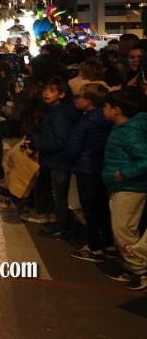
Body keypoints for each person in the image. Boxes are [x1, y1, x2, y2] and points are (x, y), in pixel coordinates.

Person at [101, 89, 147, 290]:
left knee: (123, 230)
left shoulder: (128, 132)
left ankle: (140, 270)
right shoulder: (123, 128)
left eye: (105, 106)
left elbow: (145, 158)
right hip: (122, 186)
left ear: (116, 110)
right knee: (124, 228)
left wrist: (123, 173)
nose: (103, 110)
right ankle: (132, 266)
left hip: (130, 187)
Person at [63, 83, 114, 263]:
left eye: (79, 96)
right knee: (103, 207)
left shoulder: (85, 121)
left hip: (85, 168)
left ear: (88, 102)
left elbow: (74, 147)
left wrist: (68, 160)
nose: (75, 100)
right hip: (102, 167)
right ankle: (108, 244)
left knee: (90, 209)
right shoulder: (108, 119)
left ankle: (94, 247)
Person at [29, 77, 80, 238]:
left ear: (62, 94)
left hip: (59, 160)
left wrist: (37, 142)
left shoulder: (60, 114)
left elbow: (60, 140)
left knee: (60, 195)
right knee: (55, 193)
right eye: (45, 90)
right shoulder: (51, 111)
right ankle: (60, 224)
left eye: (51, 91)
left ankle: (62, 228)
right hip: (52, 159)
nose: (46, 93)